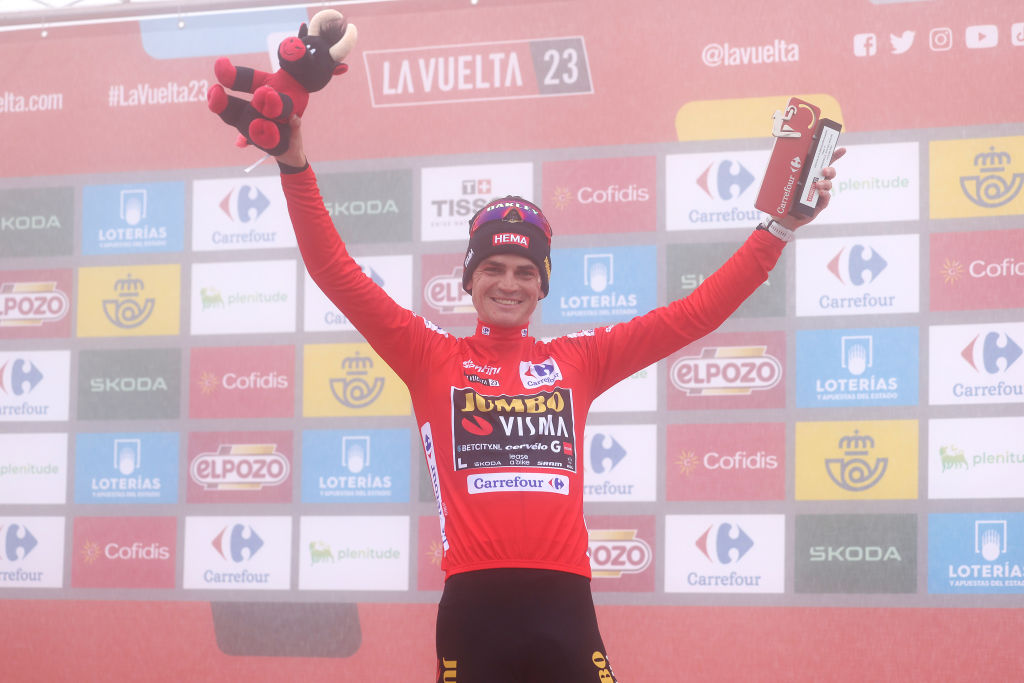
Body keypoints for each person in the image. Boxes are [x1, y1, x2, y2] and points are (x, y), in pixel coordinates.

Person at [274, 115, 843, 683]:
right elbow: (334, 271)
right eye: (492, 268)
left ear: (542, 284)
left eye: (525, 272)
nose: (508, 284)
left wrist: (780, 229)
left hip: (564, 603)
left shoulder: (576, 360)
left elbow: (694, 315)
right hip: (475, 608)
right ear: (468, 280)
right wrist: (293, 164)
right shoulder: (430, 357)